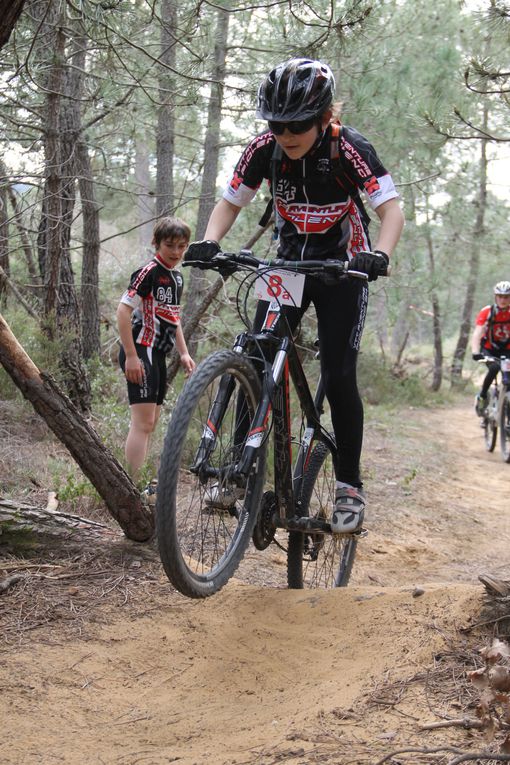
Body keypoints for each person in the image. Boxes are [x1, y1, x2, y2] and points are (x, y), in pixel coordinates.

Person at [185, 58, 404, 533]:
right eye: (277, 123)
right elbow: (231, 200)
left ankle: (349, 484)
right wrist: (211, 241)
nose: (286, 133)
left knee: (340, 374)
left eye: (297, 124)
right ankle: (237, 473)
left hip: (344, 267)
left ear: (325, 117)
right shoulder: (265, 149)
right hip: (287, 263)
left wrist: (379, 256)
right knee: (258, 356)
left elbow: (390, 211)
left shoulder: (350, 149)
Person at [117, 216, 195, 484]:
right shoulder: (148, 271)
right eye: (170, 245)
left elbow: (173, 319)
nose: (175, 252)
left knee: (152, 421)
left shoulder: (177, 277)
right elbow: (123, 311)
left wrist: (184, 352)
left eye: (181, 246)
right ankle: (132, 487)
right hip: (141, 349)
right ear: (157, 243)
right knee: (143, 422)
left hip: (159, 353)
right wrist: (130, 355)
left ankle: (138, 482)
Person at [471, 280, 510, 415]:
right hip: (489, 349)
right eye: (500, 296)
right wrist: (475, 352)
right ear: (495, 297)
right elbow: (478, 332)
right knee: (494, 367)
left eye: (506, 297)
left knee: (508, 379)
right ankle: (482, 396)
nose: (503, 300)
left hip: (507, 351)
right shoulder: (488, 311)